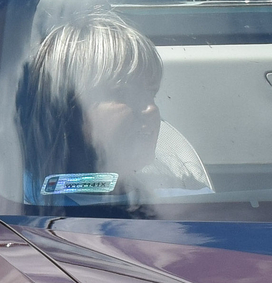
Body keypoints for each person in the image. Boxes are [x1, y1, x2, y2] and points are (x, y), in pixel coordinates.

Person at [15, 12, 208, 204]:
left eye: (152, 94)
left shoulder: (186, 199)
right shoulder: (23, 204)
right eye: (123, 94)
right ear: (65, 111)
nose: (151, 109)